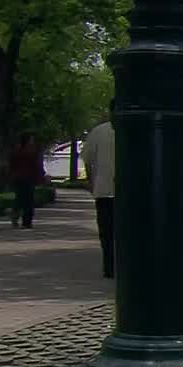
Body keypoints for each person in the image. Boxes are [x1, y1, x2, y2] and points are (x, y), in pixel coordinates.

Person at [81, 103, 116, 277]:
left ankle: (109, 267)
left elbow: (87, 159)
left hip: (104, 190)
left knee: (106, 231)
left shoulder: (98, 131)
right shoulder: (137, 129)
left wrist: (90, 180)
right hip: (130, 193)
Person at [8, 134, 45, 229]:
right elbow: (37, 165)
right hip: (28, 178)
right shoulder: (31, 152)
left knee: (19, 199)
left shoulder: (16, 151)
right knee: (28, 200)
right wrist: (41, 177)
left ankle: (15, 217)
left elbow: (11, 165)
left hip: (18, 178)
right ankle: (26, 222)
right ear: (28, 141)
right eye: (31, 140)